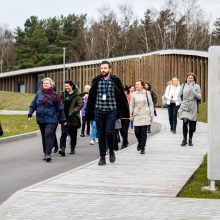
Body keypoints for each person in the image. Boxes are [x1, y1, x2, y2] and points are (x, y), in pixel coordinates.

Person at [86, 60, 129, 166]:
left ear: (110, 69)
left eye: (105, 68)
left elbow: (121, 96)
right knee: (101, 134)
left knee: (110, 132)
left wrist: (125, 111)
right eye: (101, 68)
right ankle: (102, 157)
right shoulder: (96, 80)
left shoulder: (115, 80)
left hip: (112, 110)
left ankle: (111, 151)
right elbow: (92, 96)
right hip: (99, 110)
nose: (103, 70)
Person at [28, 77, 66, 162]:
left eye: (47, 83)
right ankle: (45, 153)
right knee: (44, 136)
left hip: (52, 119)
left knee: (48, 134)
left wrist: (63, 119)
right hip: (41, 119)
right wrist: (30, 113)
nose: (45, 84)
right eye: (44, 83)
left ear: (51, 85)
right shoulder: (39, 93)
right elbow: (33, 104)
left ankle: (48, 154)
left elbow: (60, 108)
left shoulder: (55, 95)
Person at [130, 80, 154, 154]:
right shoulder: (133, 94)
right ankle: (139, 142)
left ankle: (142, 148)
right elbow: (131, 105)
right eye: (136, 84)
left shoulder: (147, 93)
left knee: (144, 132)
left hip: (145, 113)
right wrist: (130, 114)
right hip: (137, 114)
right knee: (137, 132)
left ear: (142, 85)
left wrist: (152, 113)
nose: (136, 86)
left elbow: (151, 104)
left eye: (138, 84)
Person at [59, 80, 82, 156]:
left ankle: (72, 148)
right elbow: (59, 103)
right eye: (65, 86)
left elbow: (80, 105)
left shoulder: (77, 95)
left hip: (73, 118)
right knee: (64, 133)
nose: (66, 87)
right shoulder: (63, 94)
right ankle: (62, 148)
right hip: (64, 117)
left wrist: (72, 111)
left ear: (71, 86)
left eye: (67, 86)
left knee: (73, 134)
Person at [178, 73, 202, 146]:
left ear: (194, 79)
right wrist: (181, 102)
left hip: (193, 106)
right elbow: (179, 96)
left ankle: (190, 139)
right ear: (186, 78)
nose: (190, 79)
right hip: (184, 106)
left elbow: (199, 97)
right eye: (189, 78)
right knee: (185, 121)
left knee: (191, 125)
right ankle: (184, 139)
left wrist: (192, 88)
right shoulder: (183, 85)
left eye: (192, 78)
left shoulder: (197, 86)